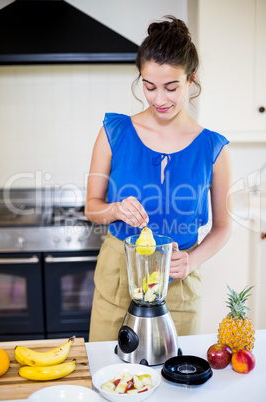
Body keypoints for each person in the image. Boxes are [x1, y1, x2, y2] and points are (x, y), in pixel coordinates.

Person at [85, 16, 232, 341]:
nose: (159, 99)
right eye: (149, 87)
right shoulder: (115, 132)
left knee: (175, 380)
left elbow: (223, 227)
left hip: (177, 280)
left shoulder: (213, 148)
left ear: (191, 80)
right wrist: (116, 209)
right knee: (108, 370)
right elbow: (92, 207)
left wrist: (192, 261)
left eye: (171, 87)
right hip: (118, 272)